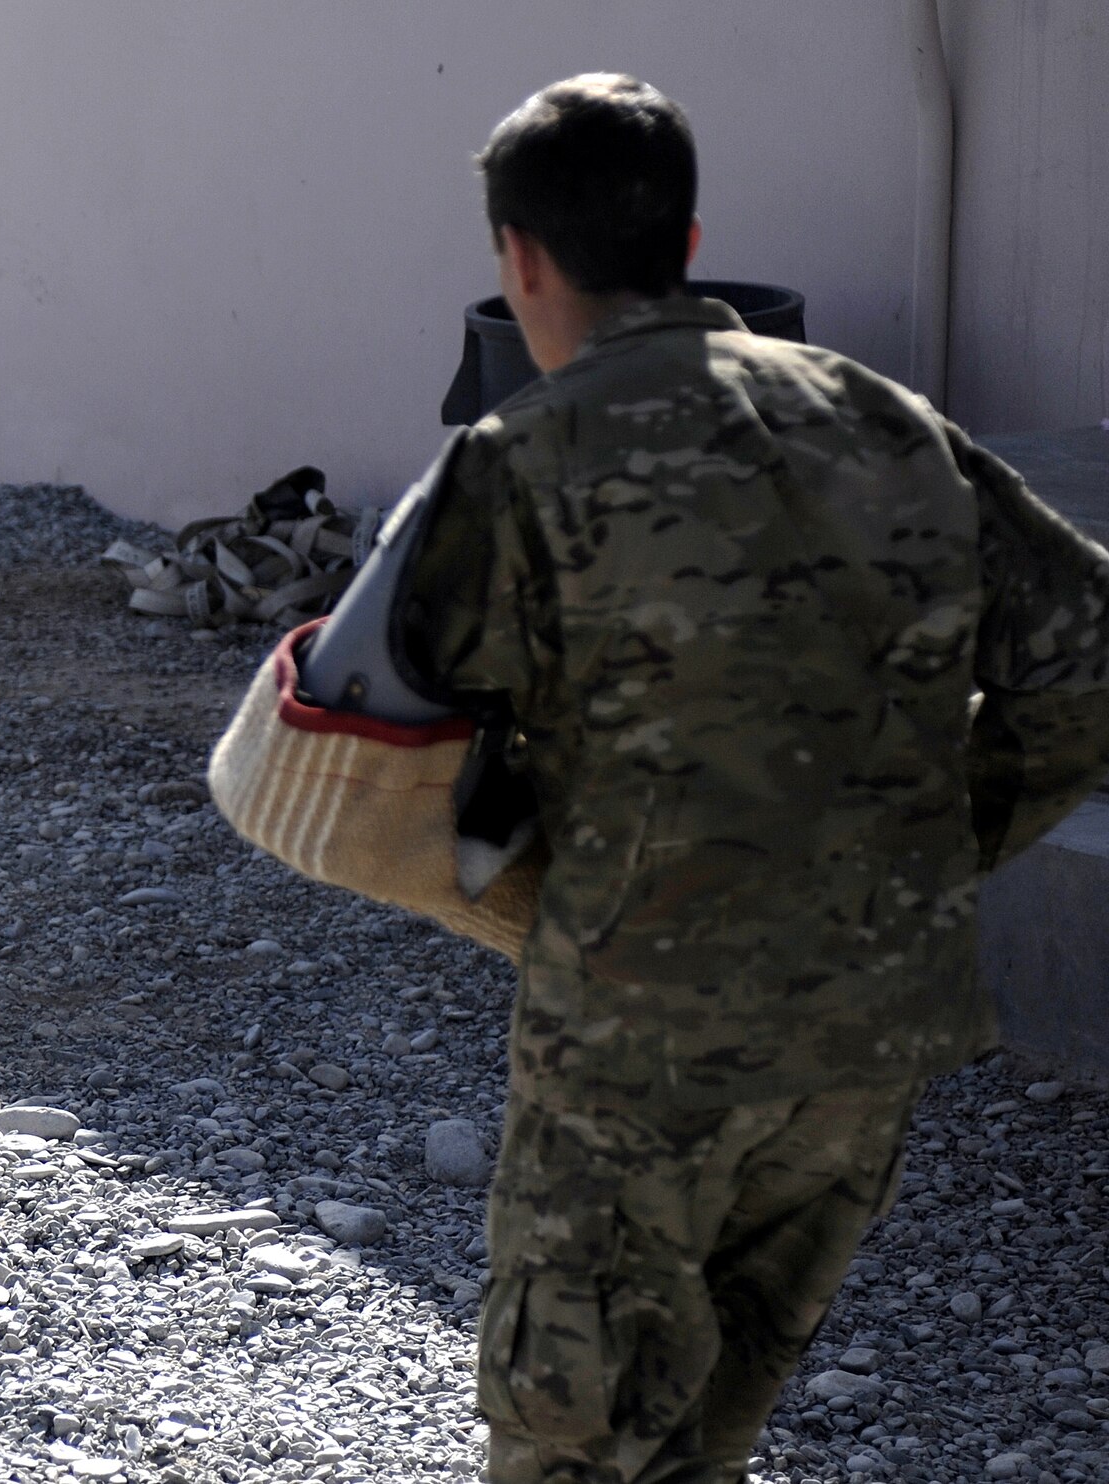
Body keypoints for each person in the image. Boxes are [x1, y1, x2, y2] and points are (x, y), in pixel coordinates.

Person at [398, 74, 1109, 1483]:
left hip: (641, 1046)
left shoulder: (522, 456)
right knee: (712, 1425)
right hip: (864, 1039)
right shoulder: (890, 422)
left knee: (580, 1448)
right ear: (690, 235)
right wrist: (945, 844)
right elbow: (1087, 657)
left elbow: (395, 717)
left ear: (520, 262)